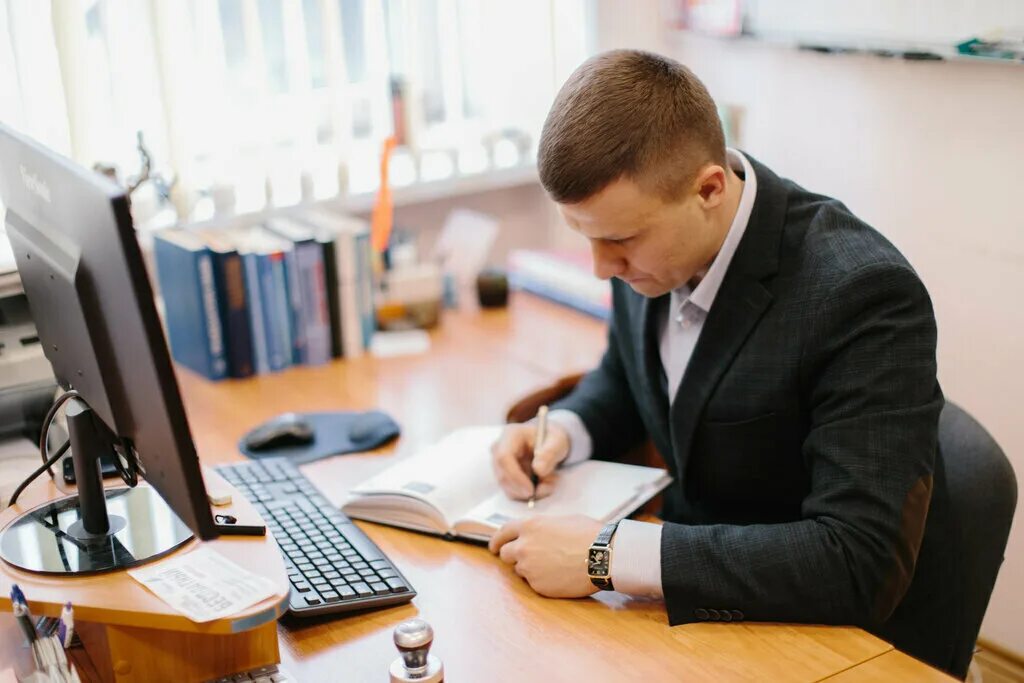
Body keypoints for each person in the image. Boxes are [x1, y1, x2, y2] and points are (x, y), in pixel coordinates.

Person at [488, 49, 956, 672]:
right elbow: (630, 379)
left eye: (619, 241)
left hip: (830, 647)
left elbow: (857, 561)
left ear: (709, 188)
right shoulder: (649, 248)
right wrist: (561, 432)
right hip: (686, 624)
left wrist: (607, 556)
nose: (602, 269)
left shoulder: (861, 294)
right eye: (587, 239)